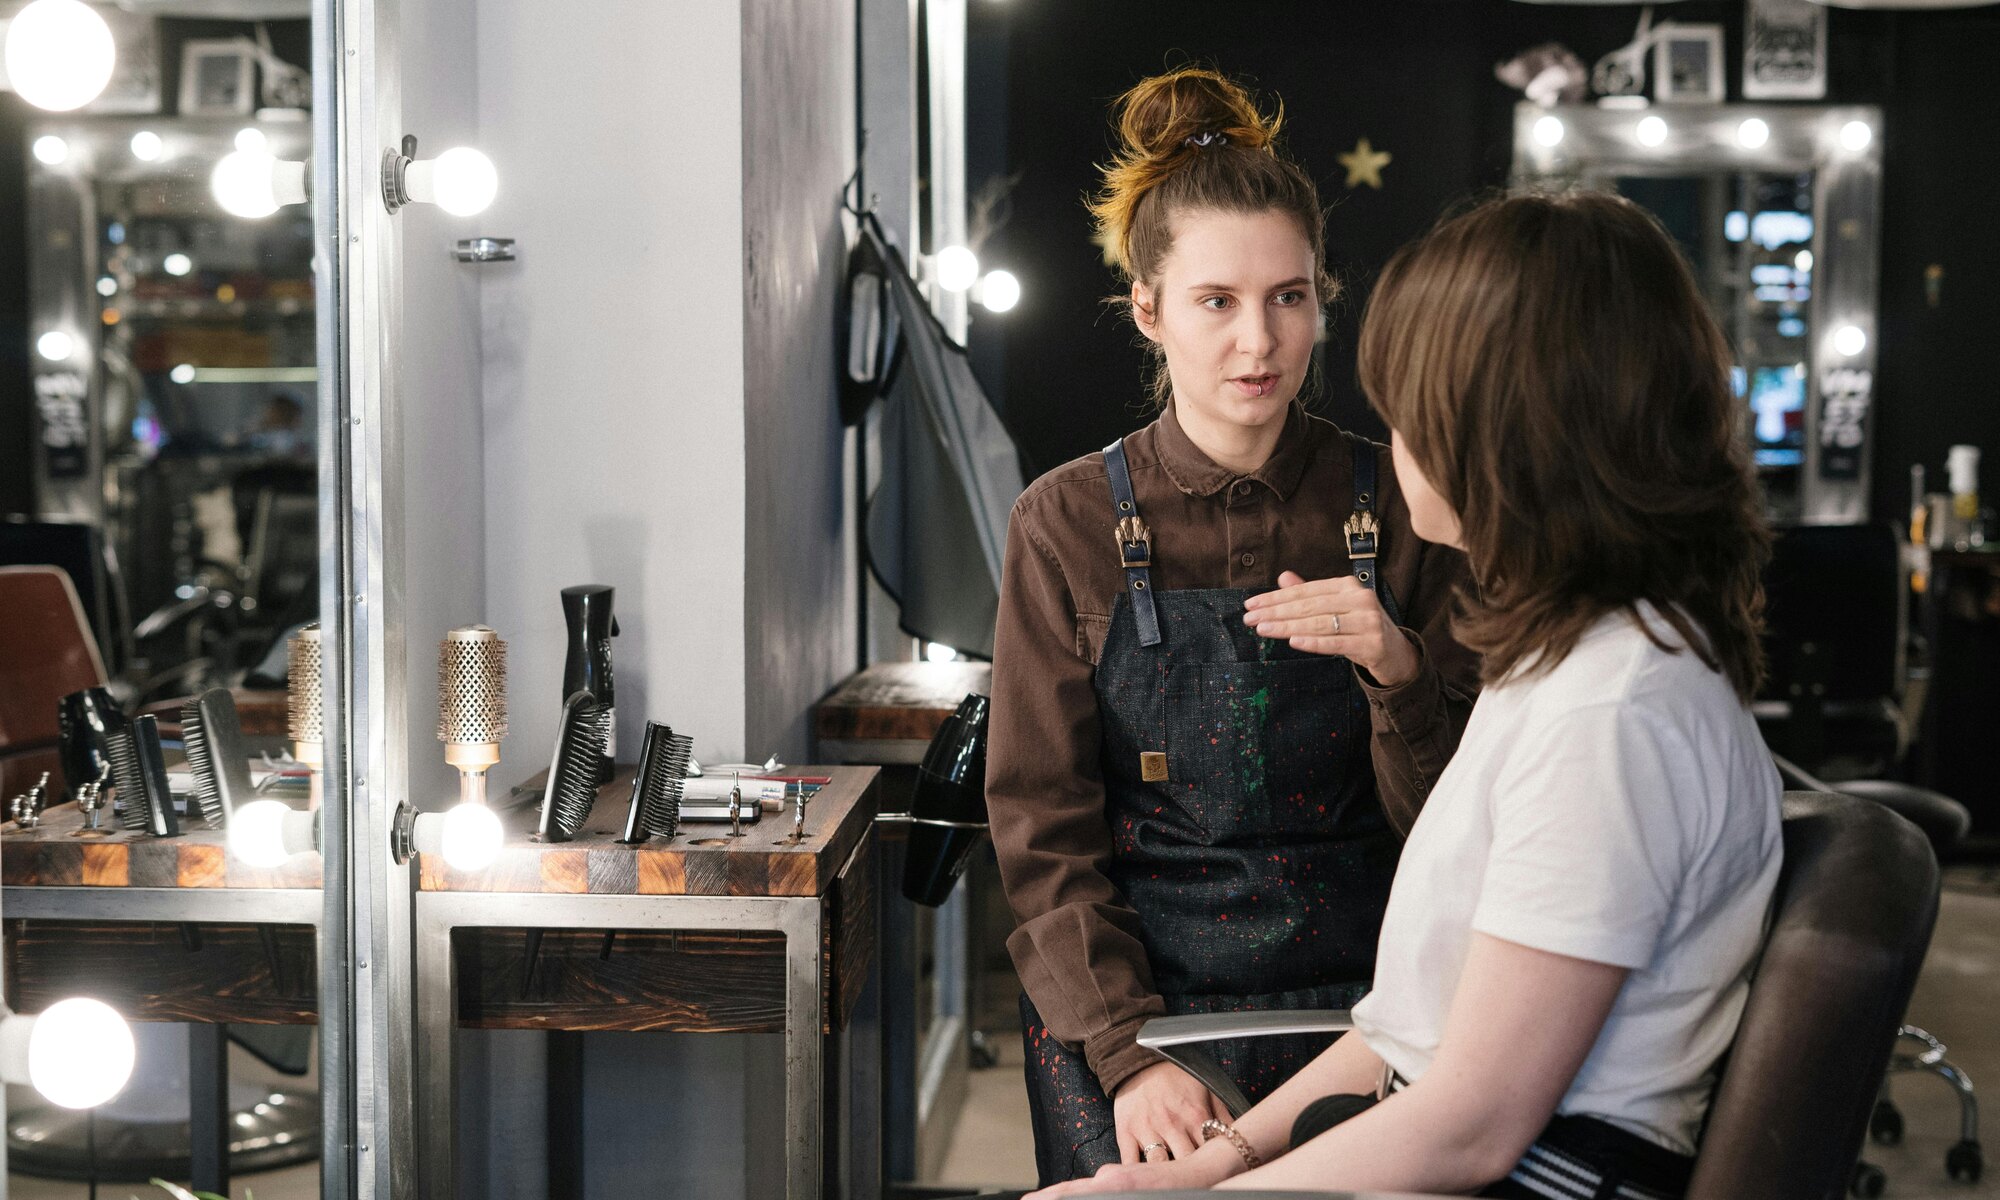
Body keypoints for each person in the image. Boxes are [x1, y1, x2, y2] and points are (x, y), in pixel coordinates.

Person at [1026, 190, 1784, 1200]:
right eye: (1217, 300)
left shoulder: (1609, 718)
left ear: (1502, 431)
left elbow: (1469, 1125)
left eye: (1407, 406)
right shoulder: (1568, 667)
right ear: (1149, 311)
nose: (1384, 441)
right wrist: (1203, 1173)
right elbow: (1406, 1031)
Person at [987, 66, 1478, 1187]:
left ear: (1321, 298)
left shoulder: (1408, 504)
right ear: (1147, 308)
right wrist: (1123, 1053)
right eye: (1216, 301)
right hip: (1135, 1006)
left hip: (1373, 1002)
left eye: (1289, 297)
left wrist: (1398, 670)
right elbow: (1040, 828)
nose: (1258, 341)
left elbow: (1463, 825)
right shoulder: (1061, 523)